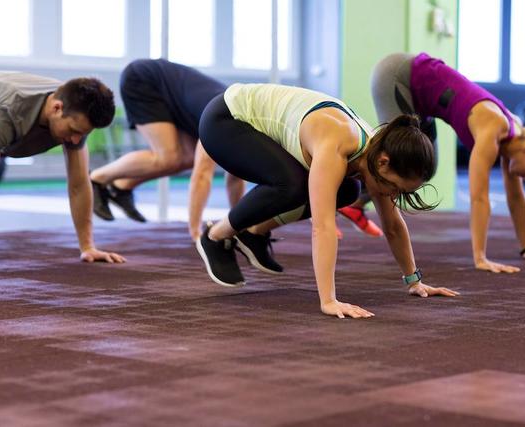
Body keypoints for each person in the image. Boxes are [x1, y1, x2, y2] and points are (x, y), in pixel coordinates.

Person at [195, 83, 459, 319]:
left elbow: (392, 225)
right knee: (292, 184)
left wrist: (414, 281)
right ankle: (215, 236)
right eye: (394, 188)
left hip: (249, 125)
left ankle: (253, 233)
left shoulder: (378, 154)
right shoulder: (339, 143)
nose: (393, 196)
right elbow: (322, 227)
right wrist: (329, 300)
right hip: (225, 119)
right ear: (383, 162)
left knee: (348, 191)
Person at [370, 52, 525, 273]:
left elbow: (516, 197)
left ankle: (356, 201)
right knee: (402, 163)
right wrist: (481, 258)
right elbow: (479, 197)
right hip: (398, 76)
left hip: (420, 100)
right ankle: (352, 192)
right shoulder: (495, 127)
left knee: (423, 169)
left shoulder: (514, 136)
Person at [0, 71, 126, 277]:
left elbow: (79, 184)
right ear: (56, 108)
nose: (76, 140)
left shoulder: (76, 112)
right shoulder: (4, 112)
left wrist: (87, 247)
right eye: (73, 130)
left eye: (83, 134)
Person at [89, 59, 244, 240]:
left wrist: (241, 227)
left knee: (186, 158)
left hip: (176, 95)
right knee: (169, 158)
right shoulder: (223, 122)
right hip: (144, 79)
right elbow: (202, 175)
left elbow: (236, 175)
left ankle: (121, 187)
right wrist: (195, 233)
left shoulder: (241, 128)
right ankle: (95, 179)